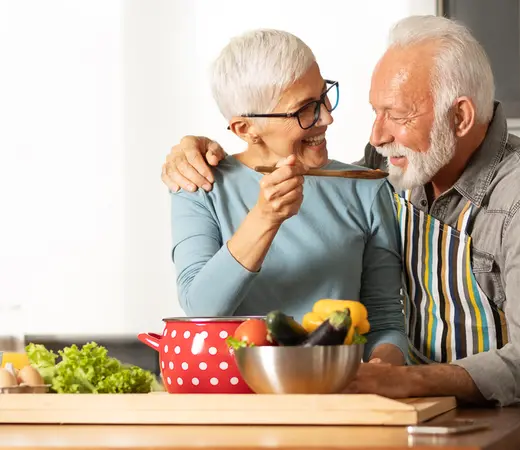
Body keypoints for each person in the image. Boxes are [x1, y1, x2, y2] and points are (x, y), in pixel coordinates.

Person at [161, 16, 520, 449]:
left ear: (459, 116)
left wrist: (400, 379)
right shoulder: (389, 163)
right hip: (433, 420)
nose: (374, 135)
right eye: (375, 111)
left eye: (397, 114)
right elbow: (203, 300)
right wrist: (193, 149)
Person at [167, 28, 408, 366]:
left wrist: (383, 370)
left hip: (338, 394)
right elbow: (202, 308)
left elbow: (384, 321)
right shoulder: (199, 185)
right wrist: (265, 218)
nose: (327, 116)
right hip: (234, 399)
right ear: (245, 129)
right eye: (305, 109)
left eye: (323, 96)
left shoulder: (365, 188)